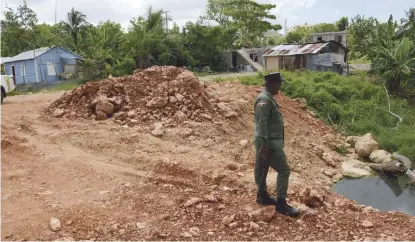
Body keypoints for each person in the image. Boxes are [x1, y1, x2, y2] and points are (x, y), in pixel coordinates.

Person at [253, 72, 300, 217]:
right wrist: (265, 146)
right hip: (269, 143)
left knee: (262, 168)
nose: (280, 87)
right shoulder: (264, 100)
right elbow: (261, 125)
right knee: (284, 170)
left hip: (267, 142)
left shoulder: (268, 98)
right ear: (272, 84)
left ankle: (262, 196)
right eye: (279, 84)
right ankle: (281, 204)